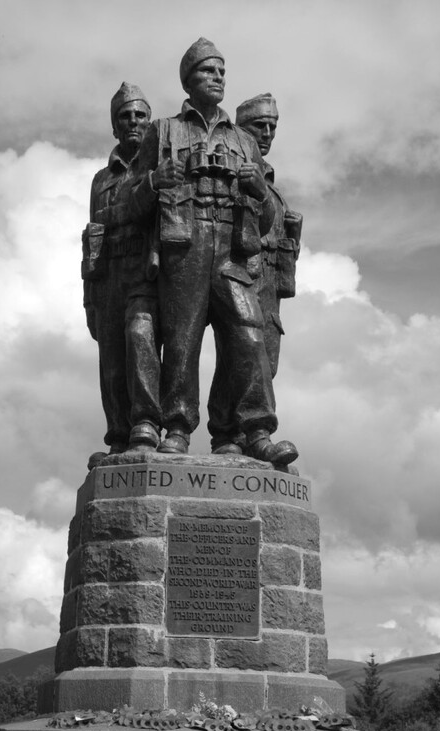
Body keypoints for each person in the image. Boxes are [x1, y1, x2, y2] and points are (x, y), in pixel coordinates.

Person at [130, 38, 297, 467]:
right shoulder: (163, 131)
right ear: (188, 79)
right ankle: (178, 427)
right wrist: (154, 182)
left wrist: (259, 190)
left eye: (222, 70)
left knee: (247, 333)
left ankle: (251, 430)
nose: (218, 77)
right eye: (208, 70)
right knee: (182, 341)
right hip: (182, 245)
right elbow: (127, 203)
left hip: (231, 249)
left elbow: (268, 221)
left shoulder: (245, 141)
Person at [208, 93, 302, 456]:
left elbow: (277, 242)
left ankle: (240, 438)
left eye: (272, 127)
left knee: (264, 364)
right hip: (241, 272)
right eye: (258, 126)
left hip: (270, 284)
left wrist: (293, 234)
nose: (266, 133)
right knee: (243, 354)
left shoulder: (273, 186)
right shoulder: (234, 170)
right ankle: (230, 433)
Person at [82, 83, 161, 465]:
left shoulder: (160, 168)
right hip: (108, 275)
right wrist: (88, 298)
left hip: (145, 274)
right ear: (114, 126)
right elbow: (92, 234)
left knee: (140, 336)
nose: (133, 122)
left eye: (140, 115)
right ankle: (118, 438)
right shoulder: (101, 179)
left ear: (150, 122)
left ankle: (146, 425)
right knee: (112, 363)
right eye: (125, 116)